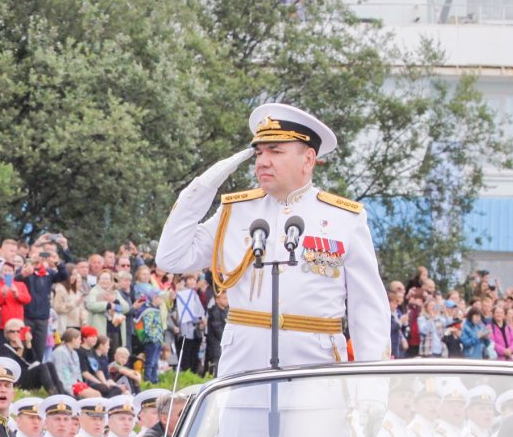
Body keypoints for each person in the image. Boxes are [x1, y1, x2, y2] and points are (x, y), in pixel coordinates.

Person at [156, 103, 390, 375]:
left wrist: (373, 383)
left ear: (309, 159)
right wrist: (204, 186)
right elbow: (171, 257)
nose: (263, 161)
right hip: (242, 374)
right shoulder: (236, 211)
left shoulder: (344, 217)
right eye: (259, 152)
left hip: (316, 375)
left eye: (276, 151)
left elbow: (368, 307)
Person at [0, 318, 67, 396]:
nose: (15, 333)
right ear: (7, 334)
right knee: (42, 368)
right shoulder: (5, 348)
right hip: (17, 380)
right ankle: (53, 394)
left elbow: (34, 362)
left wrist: (28, 344)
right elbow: (14, 367)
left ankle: (61, 393)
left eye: (18, 331)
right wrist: (20, 350)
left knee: (49, 365)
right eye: (12, 331)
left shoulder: (24, 345)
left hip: (28, 376)